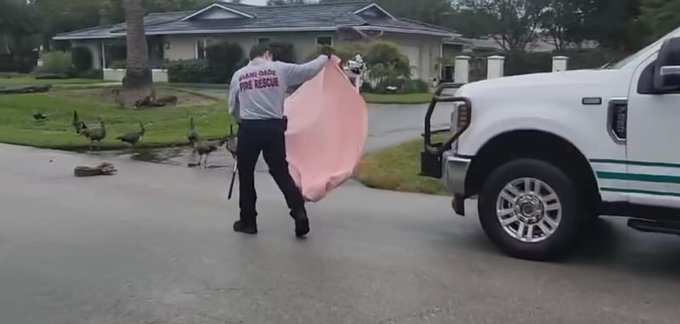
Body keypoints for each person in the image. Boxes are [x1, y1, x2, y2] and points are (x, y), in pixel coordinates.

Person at [228, 44, 331, 237]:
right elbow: (308, 71)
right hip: (274, 127)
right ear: (267, 54)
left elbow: (233, 107)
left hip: (249, 128)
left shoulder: (239, 75)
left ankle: (248, 221)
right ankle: (299, 212)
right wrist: (324, 57)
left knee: (246, 175)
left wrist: (241, 121)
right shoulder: (279, 69)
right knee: (280, 172)